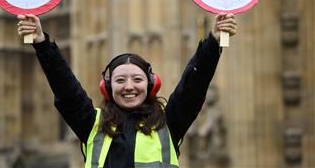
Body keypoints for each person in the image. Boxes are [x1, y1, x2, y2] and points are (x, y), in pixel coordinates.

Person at [17, 13, 237, 168]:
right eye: (120, 80)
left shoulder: (168, 123)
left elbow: (193, 87)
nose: (129, 86)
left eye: (137, 79)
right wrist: (41, 43)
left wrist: (214, 41)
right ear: (108, 87)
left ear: (150, 85)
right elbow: (66, 89)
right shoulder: (93, 125)